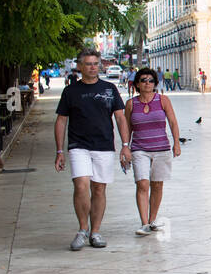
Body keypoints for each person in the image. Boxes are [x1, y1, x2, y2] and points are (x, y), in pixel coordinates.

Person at [54, 49, 130, 250]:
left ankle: (95, 232)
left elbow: (120, 117)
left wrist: (125, 146)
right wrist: (59, 151)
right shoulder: (71, 91)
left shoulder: (109, 88)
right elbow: (61, 121)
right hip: (78, 146)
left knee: (98, 189)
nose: (92, 67)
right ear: (80, 67)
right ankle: (82, 229)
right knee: (80, 185)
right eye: (88, 64)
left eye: (95, 63)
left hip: (104, 145)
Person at [124, 67, 180, 235]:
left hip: (161, 148)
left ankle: (153, 219)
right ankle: (144, 223)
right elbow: (126, 127)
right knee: (142, 183)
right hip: (139, 149)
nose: (147, 83)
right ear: (137, 84)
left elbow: (173, 122)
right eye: (143, 80)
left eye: (150, 80)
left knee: (157, 184)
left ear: (155, 83)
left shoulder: (163, 100)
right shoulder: (131, 104)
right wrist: (125, 147)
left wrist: (176, 142)